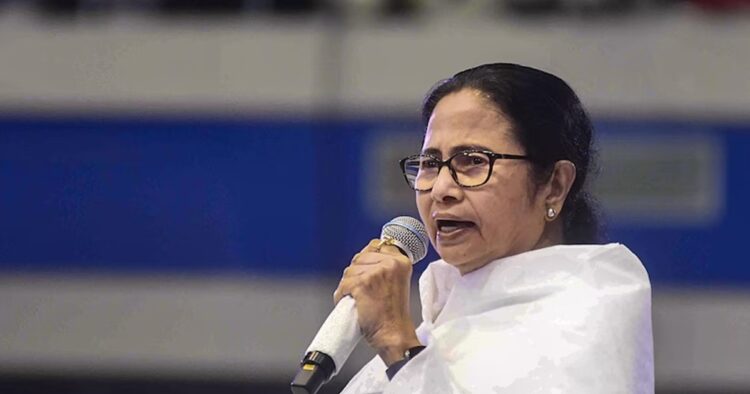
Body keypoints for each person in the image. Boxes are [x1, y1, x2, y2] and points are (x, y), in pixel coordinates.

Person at [335, 63, 653, 393]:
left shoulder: (588, 310)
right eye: (430, 164)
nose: (442, 188)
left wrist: (394, 340)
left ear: (555, 185)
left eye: (473, 161)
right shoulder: (442, 321)